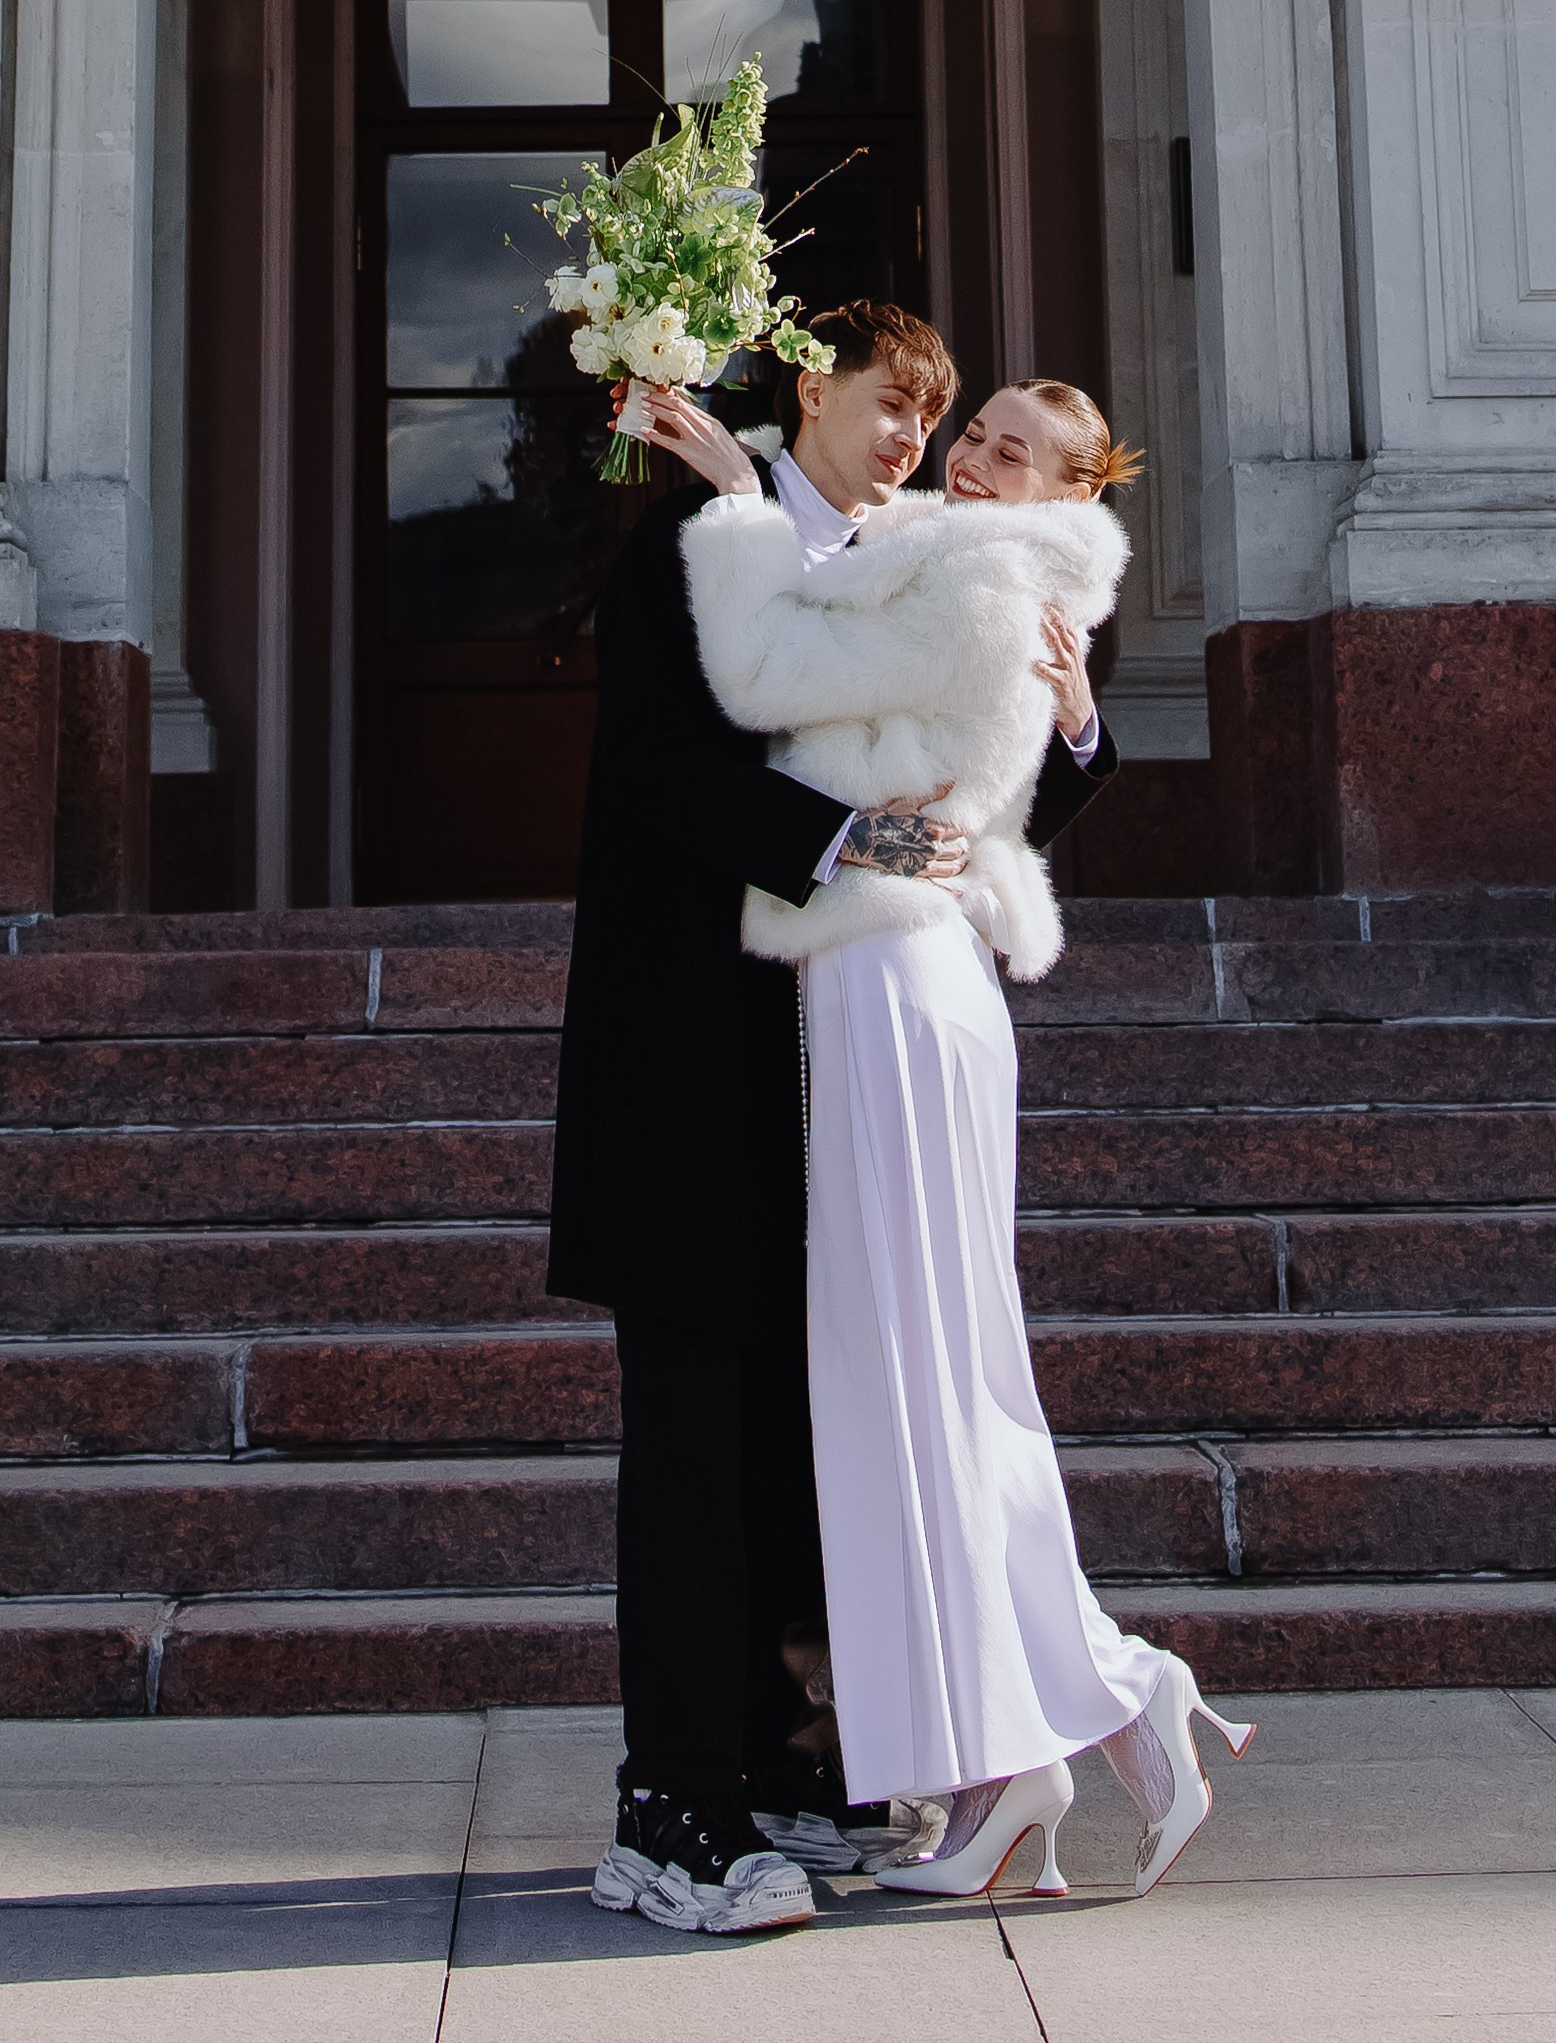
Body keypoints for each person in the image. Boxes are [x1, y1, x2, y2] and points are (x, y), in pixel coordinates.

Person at [550, 303, 1115, 1938]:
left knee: (826, 1424)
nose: (916, 440)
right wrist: (851, 842)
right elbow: (664, 776)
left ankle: (809, 1770)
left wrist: (1071, 722)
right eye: (895, 402)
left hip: (857, 1068)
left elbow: (981, 785)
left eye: (936, 417)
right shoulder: (690, 553)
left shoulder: (923, 559)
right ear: (815, 382)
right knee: (701, 1433)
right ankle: (675, 1810)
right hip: (699, 1062)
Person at [669, 376, 1255, 1902]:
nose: (978, 454)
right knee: (923, 1376)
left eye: (1019, 448)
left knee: (920, 1374)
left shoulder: (989, 566)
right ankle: (1025, 1762)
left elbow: (761, 667)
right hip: (898, 963)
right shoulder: (968, 561)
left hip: (895, 970)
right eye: (978, 430)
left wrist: (730, 489)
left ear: (1073, 492)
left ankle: (1099, 1696)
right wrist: (1067, 720)